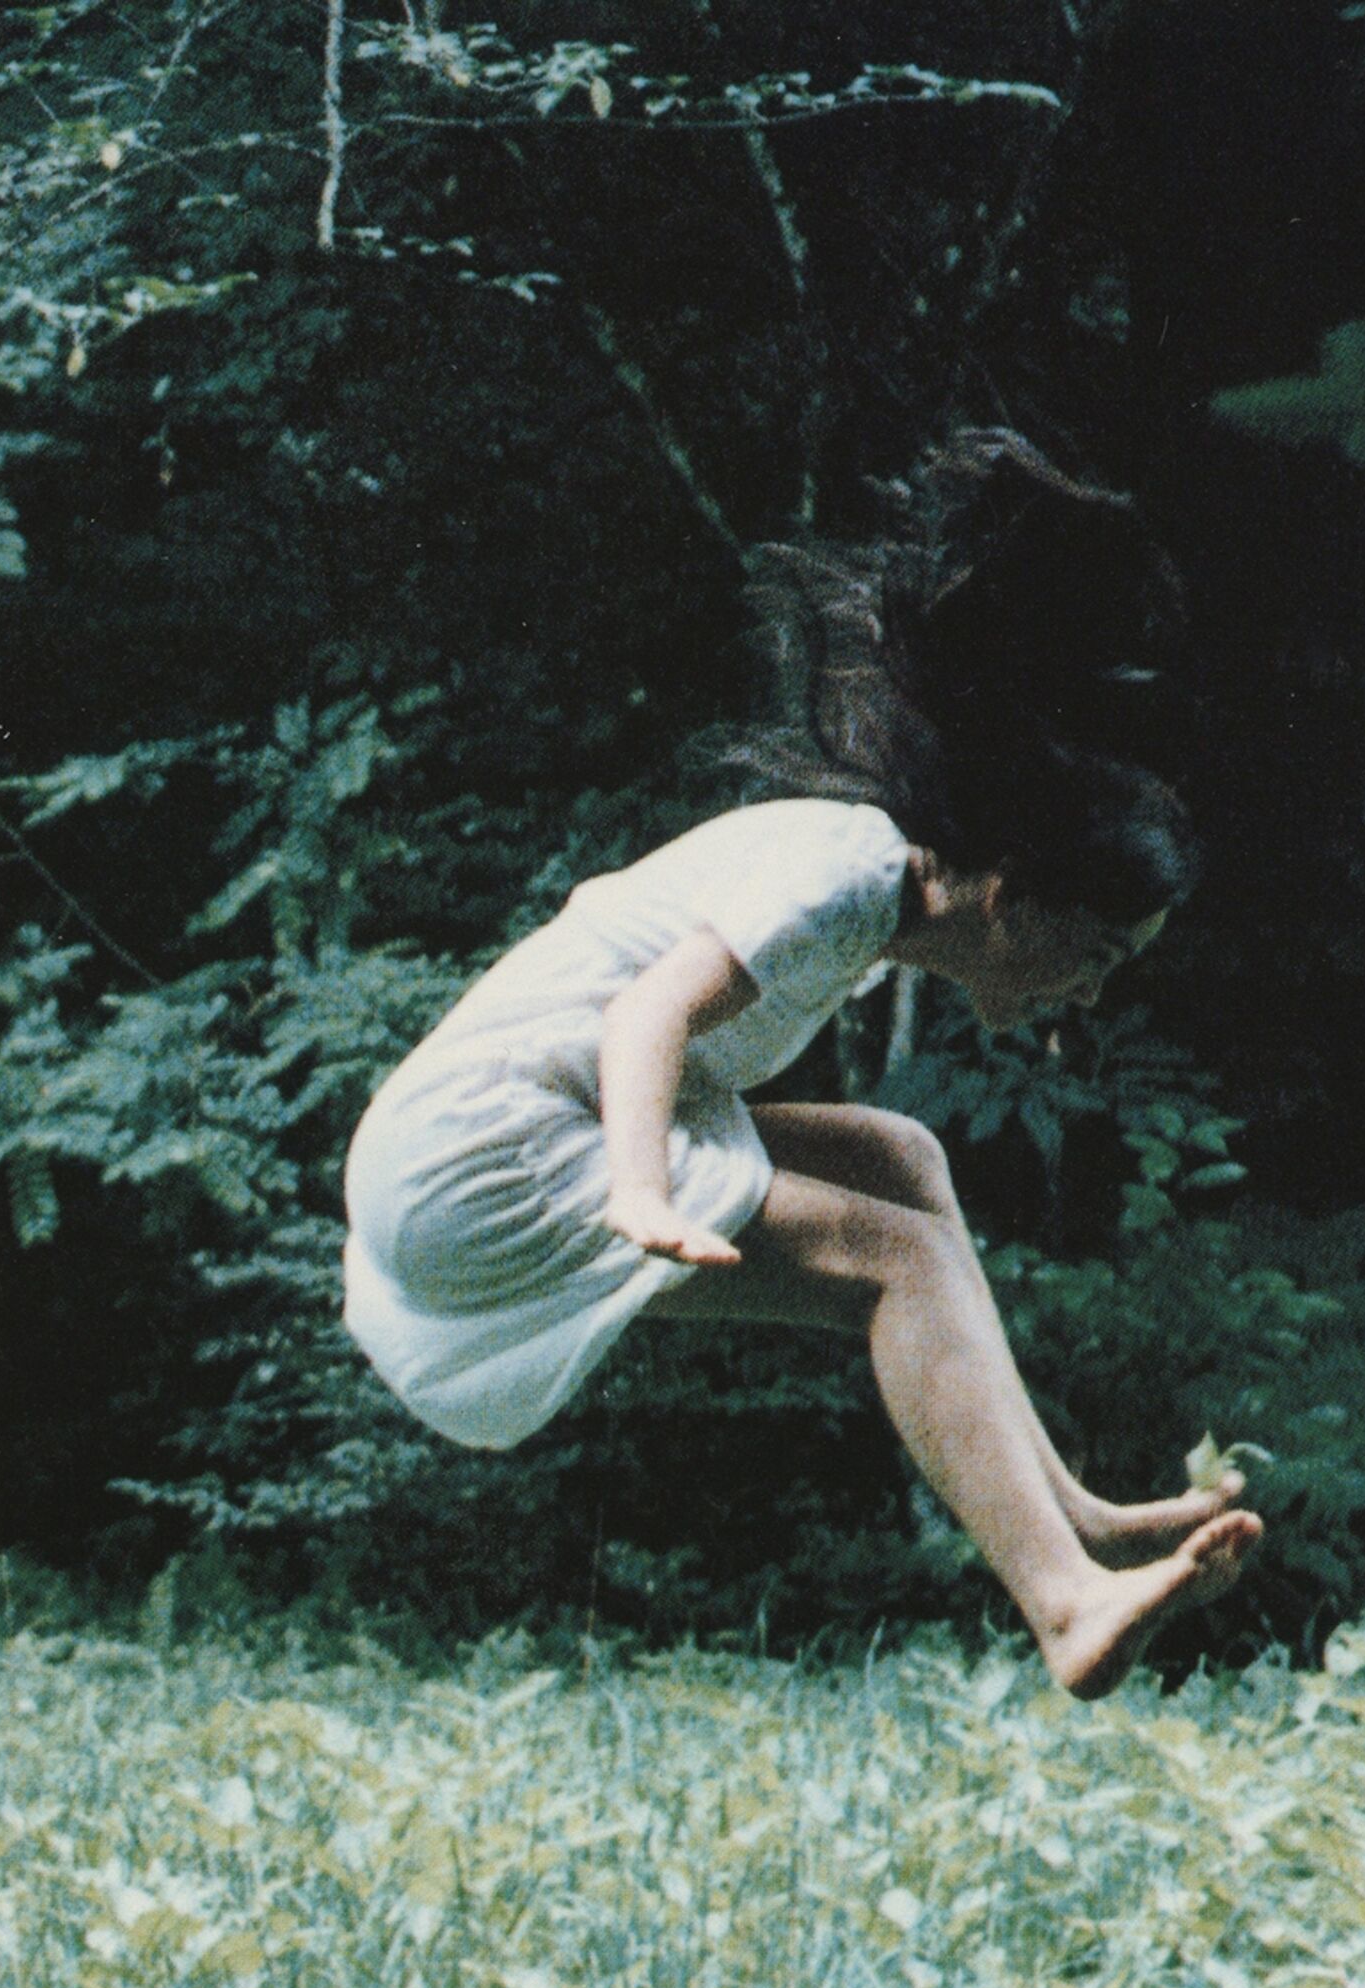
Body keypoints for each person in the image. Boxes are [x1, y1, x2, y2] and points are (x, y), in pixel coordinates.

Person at [343, 434, 1261, 1698]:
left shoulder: (868, 894)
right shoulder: (842, 879)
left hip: (493, 1138)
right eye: (1095, 953)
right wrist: (641, 1191)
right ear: (1010, 895)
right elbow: (645, 1017)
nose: (1091, 992)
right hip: (478, 1150)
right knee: (894, 1258)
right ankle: (1065, 1603)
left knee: (902, 1160)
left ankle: (1072, 1521)